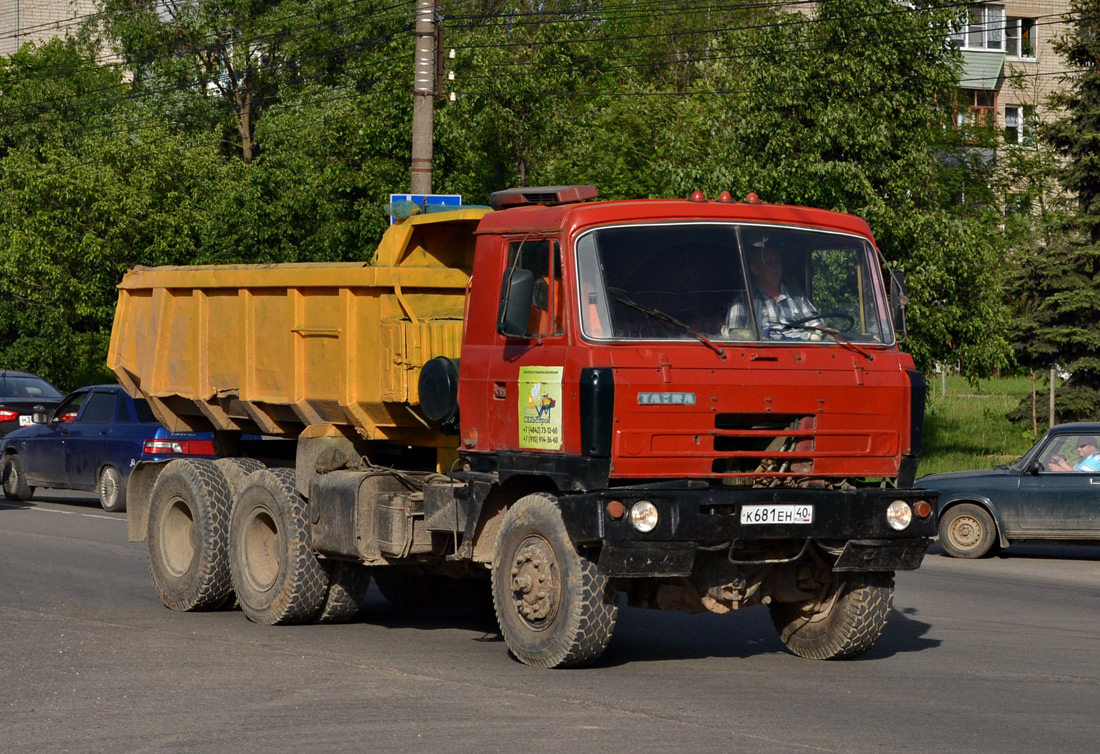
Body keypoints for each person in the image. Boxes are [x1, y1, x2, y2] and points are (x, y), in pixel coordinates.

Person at [723, 245, 823, 340]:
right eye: (769, 262)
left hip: (802, 353)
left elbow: (817, 325)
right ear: (755, 270)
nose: (776, 266)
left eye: (777, 261)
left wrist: (823, 331)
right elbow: (736, 336)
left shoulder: (797, 296)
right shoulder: (744, 301)